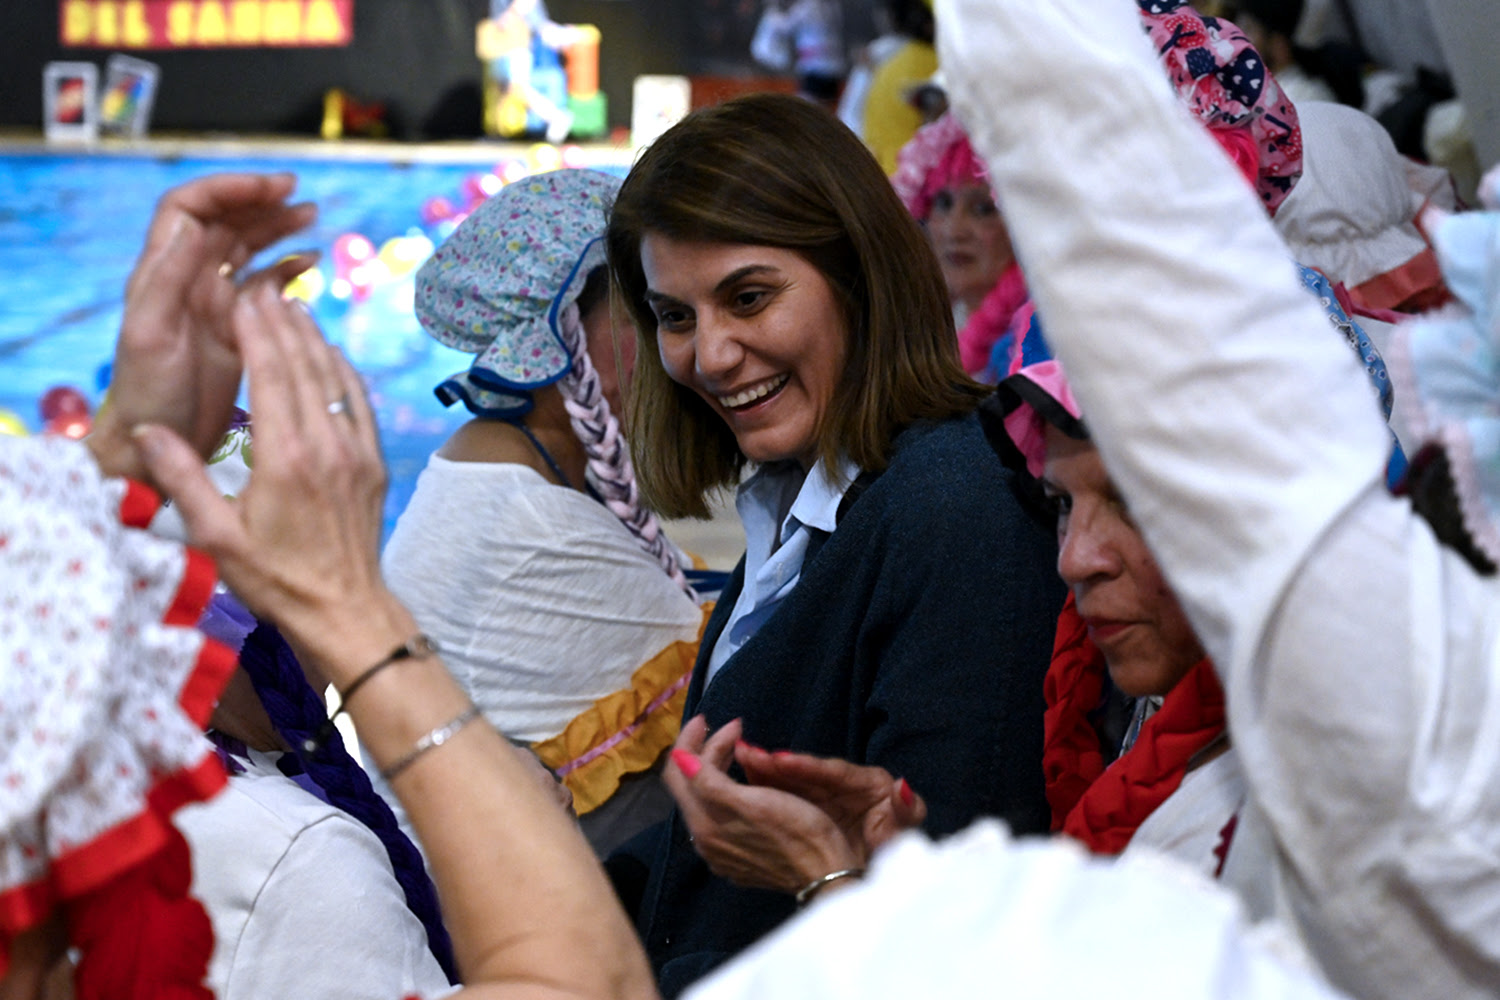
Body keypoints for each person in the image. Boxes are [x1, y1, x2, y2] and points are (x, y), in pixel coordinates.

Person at [938, 0, 1500, 996]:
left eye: (1145, 501)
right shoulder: (1138, 723)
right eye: (1063, 503)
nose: (1075, 556)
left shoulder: (1343, 802)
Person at [605, 91, 1065, 995]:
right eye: (677, 316)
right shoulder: (815, 495)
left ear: (860, 275)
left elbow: (952, 913)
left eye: (748, 297)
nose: (711, 355)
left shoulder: (957, 509)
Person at [380, 169, 707, 856]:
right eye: (649, 314)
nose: (677, 348)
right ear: (560, 332)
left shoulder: (493, 465)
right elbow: (730, 674)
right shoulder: (528, 518)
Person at [890, 112, 1026, 379]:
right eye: (943, 204)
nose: (954, 230)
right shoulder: (914, 328)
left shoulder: (1043, 343)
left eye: (983, 209)